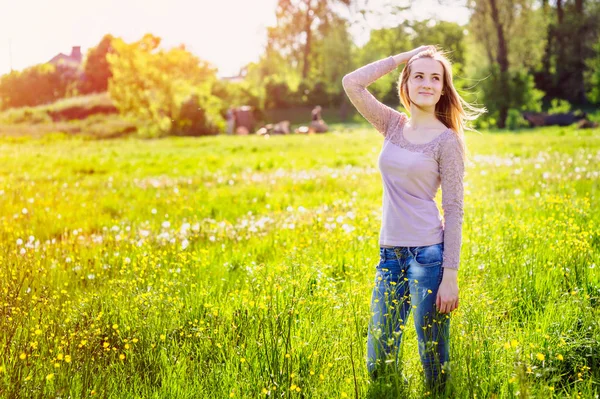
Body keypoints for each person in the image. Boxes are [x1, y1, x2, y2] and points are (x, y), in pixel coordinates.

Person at [342, 45, 485, 393]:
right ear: (405, 84)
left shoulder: (447, 142)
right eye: (418, 76)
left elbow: (454, 208)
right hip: (389, 256)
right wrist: (405, 57)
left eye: (435, 78)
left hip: (429, 258)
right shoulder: (391, 124)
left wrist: (450, 275)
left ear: (443, 88)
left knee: (433, 361)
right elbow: (352, 82)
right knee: (379, 362)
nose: (427, 83)